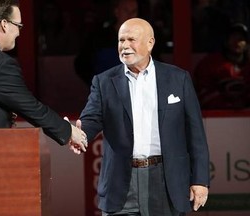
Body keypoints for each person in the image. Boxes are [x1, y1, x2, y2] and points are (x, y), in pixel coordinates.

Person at [78, 18, 210, 215]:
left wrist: (200, 179)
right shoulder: (104, 81)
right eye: (121, 40)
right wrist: (79, 132)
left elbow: (196, 134)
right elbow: (91, 119)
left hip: (166, 181)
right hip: (121, 183)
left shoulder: (178, 78)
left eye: (131, 39)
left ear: (150, 43)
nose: (125, 46)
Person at [0, 0, 87, 154]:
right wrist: (68, 131)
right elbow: (30, 107)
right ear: (4, 24)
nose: (19, 33)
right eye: (18, 26)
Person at [74, 0, 138, 87]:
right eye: (126, 10)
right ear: (117, 12)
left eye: (133, 11)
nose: (130, 16)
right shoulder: (100, 37)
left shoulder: (143, 39)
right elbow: (81, 64)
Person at [193, 23, 250, 109]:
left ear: (247, 44)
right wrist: (227, 105)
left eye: (241, 39)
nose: (236, 42)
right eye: (233, 37)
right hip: (217, 117)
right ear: (226, 41)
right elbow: (202, 94)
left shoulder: (248, 66)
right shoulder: (210, 63)